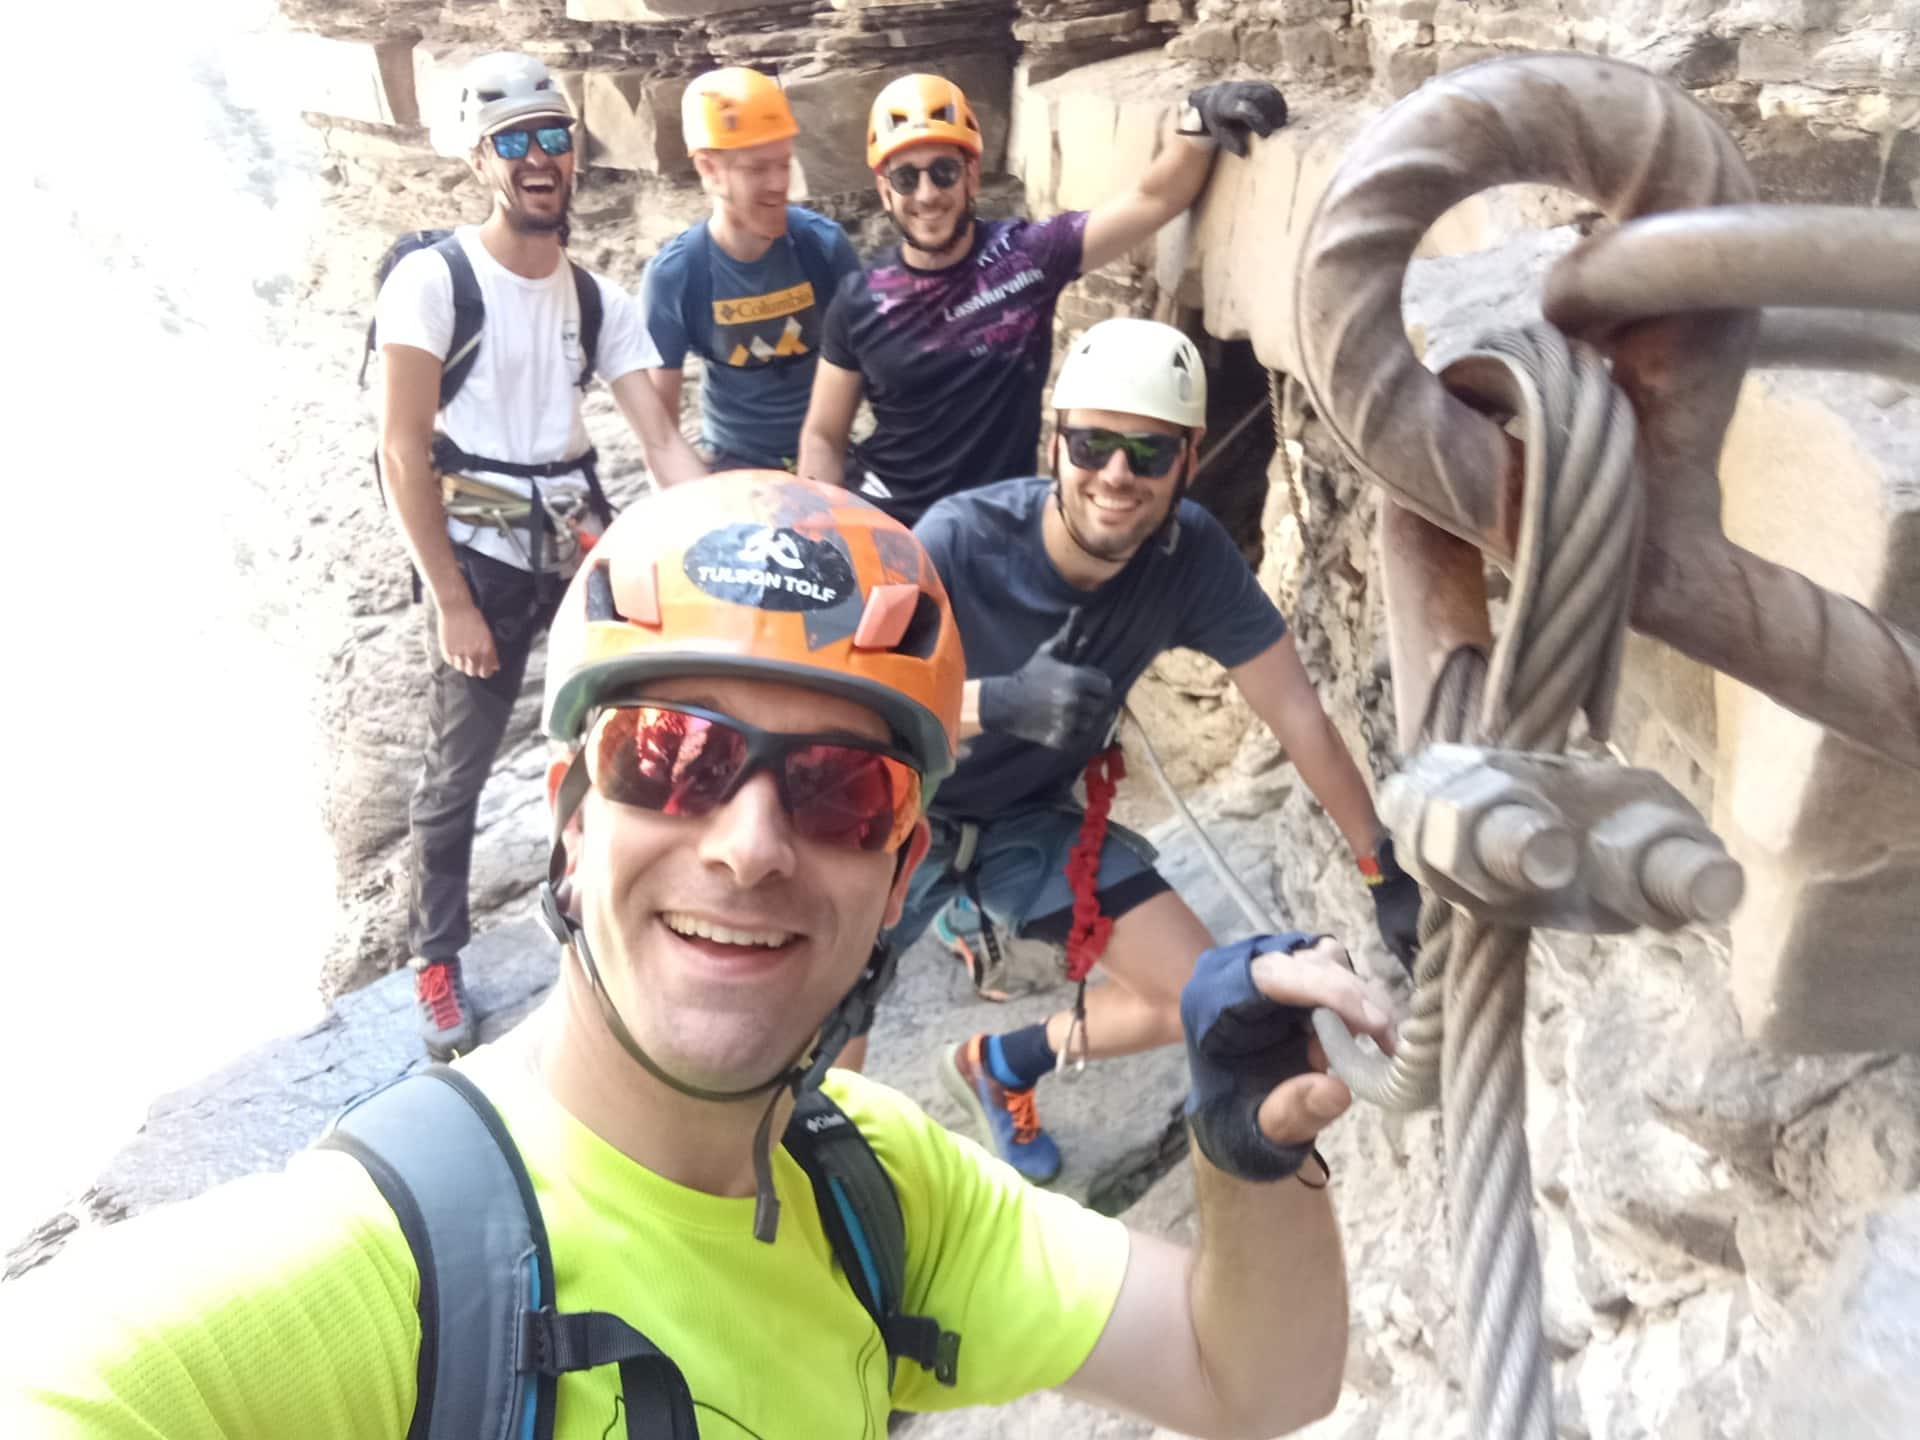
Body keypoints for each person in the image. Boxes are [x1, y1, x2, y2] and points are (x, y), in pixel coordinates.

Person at [2, 472, 1397, 1439]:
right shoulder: (370, 1276)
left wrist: (1245, 1154)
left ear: (902, 868)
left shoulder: (884, 1189)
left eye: (841, 791)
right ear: (567, 820)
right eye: (670, 760)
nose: (748, 844)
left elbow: (1248, 1379)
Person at [887, 317, 1423, 1183]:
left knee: (1196, 996)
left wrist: (1381, 866)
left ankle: (1005, 1063)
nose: (1115, 476)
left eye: (1147, 452)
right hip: (902, 805)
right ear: (1054, 442)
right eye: (1092, 444)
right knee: (819, 1032)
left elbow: (1296, 712)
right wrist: (996, 704)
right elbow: (860, 708)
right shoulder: (958, 543)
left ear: (1190, 457)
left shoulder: (1190, 559)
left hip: (1031, 821)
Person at [378, 51, 708, 1061]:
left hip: (571, 548)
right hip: (476, 560)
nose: (539, 160)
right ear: (481, 160)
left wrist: (728, 525)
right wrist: (449, 599)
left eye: (553, 138)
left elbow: (659, 439)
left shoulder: (596, 299)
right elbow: (403, 447)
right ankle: (437, 959)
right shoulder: (435, 282)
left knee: (624, 736)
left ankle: (608, 908)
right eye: (515, 141)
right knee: (458, 770)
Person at [795, 72, 1288, 526]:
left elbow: (1151, 200)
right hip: (890, 525)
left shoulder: (1024, 258)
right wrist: (828, 530)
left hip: (997, 526)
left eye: (943, 172)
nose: (926, 194)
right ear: (885, 191)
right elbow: (823, 433)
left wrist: (1197, 123)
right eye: (906, 177)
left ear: (970, 175)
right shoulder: (861, 300)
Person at [640, 67, 863, 473]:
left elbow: (871, 368)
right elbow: (660, 433)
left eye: (784, 164)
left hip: (831, 455)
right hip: (734, 463)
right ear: (709, 169)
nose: (780, 184)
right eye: (758, 169)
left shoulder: (823, 248)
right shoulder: (677, 275)